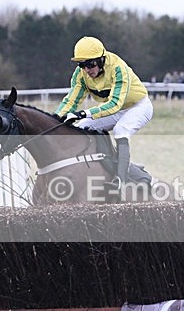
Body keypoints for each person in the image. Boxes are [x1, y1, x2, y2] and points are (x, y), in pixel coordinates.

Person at [54, 36, 153, 201]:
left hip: (138, 107)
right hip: (115, 109)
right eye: (82, 65)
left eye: (90, 64)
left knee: (120, 130)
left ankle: (120, 181)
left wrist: (85, 112)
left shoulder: (118, 68)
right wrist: (55, 120)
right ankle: (125, 169)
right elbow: (71, 100)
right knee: (82, 127)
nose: (87, 69)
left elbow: (114, 103)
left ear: (101, 59)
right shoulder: (81, 74)